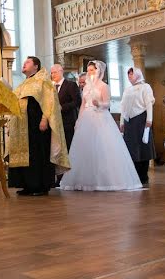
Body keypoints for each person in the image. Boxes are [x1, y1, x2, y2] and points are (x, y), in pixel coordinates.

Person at [59, 61, 142, 192]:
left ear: (99, 71)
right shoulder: (86, 87)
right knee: (84, 149)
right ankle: (85, 180)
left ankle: (105, 180)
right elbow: (82, 105)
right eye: (89, 70)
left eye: (93, 70)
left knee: (102, 147)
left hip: (100, 117)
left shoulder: (103, 86)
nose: (91, 72)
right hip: (86, 117)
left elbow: (107, 104)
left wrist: (99, 104)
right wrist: (78, 120)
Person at [7, 56, 70, 196]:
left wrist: (44, 119)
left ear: (36, 66)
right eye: (24, 62)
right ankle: (27, 185)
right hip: (23, 126)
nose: (24, 64)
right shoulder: (23, 84)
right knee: (28, 156)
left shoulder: (43, 80)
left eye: (27, 62)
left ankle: (41, 186)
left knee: (38, 154)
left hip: (37, 124)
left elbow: (49, 101)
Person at [120, 67, 156, 185]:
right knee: (131, 149)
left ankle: (143, 176)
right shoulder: (127, 90)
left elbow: (149, 103)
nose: (129, 76)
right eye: (128, 74)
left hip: (141, 120)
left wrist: (149, 120)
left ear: (138, 74)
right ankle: (134, 175)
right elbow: (123, 107)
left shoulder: (145, 87)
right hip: (129, 122)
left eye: (132, 74)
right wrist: (121, 122)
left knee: (142, 148)